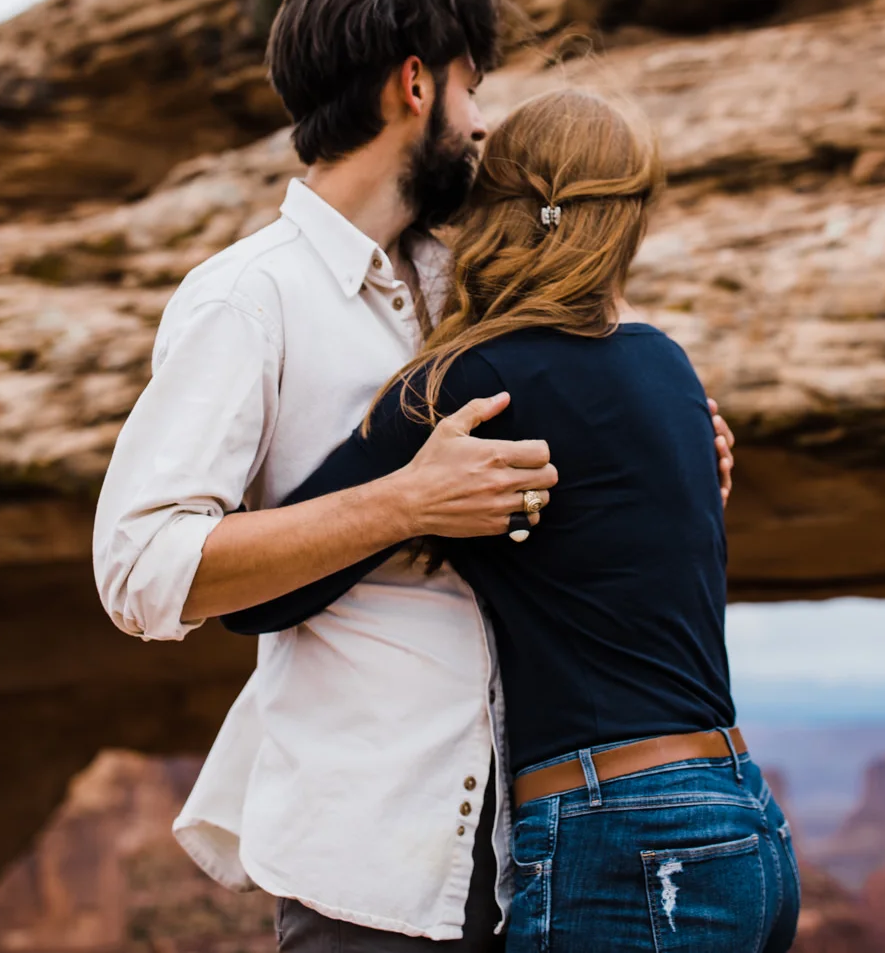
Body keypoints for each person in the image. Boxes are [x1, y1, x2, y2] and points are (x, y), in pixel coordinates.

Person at [92, 0, 737, 951]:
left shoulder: (480, 279)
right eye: (470, 85)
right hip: (374, 865)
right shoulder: (248, 298)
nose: (481, 123)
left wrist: (675, 453)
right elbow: (139, 573)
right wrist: (402, 501)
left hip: (560, 848)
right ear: (415, 85)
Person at [227, 89, 800, 952]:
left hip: (622, 842)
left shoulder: (472, 386)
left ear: (494, 209)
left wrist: (399, 496)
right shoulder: (668, 367)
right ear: (627, 221)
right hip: (741, 820)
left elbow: (259, 598)